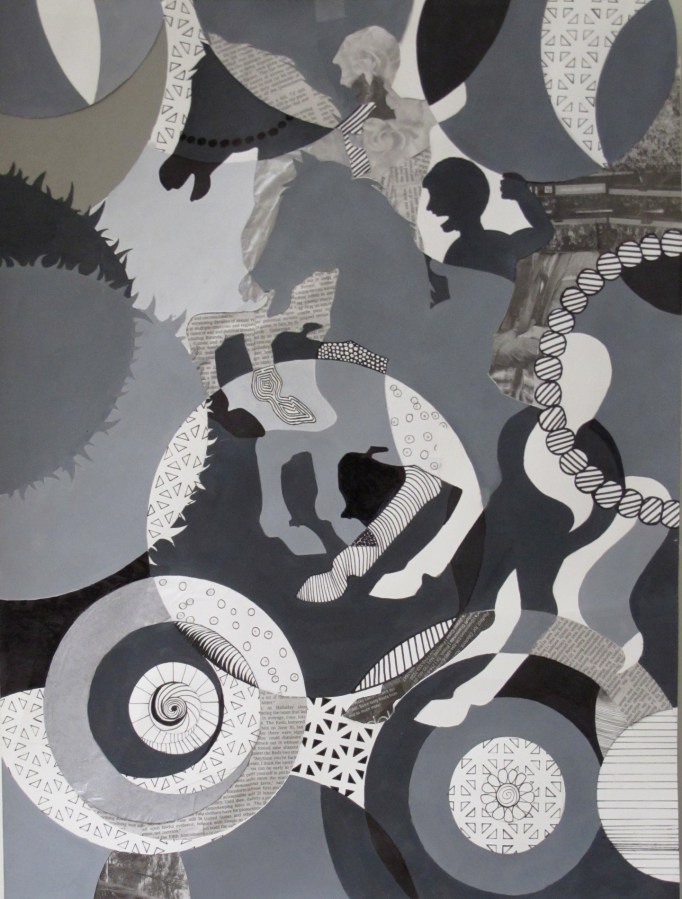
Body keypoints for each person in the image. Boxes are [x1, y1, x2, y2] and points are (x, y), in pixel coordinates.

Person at [423, 158, 554, 281]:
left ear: (459, 200)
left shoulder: (473, 249)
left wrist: (520, 193)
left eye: (436, 197)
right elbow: (544, 231)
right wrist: (520, 193)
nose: (429, 206)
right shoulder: (495, 245)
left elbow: (545, 232)